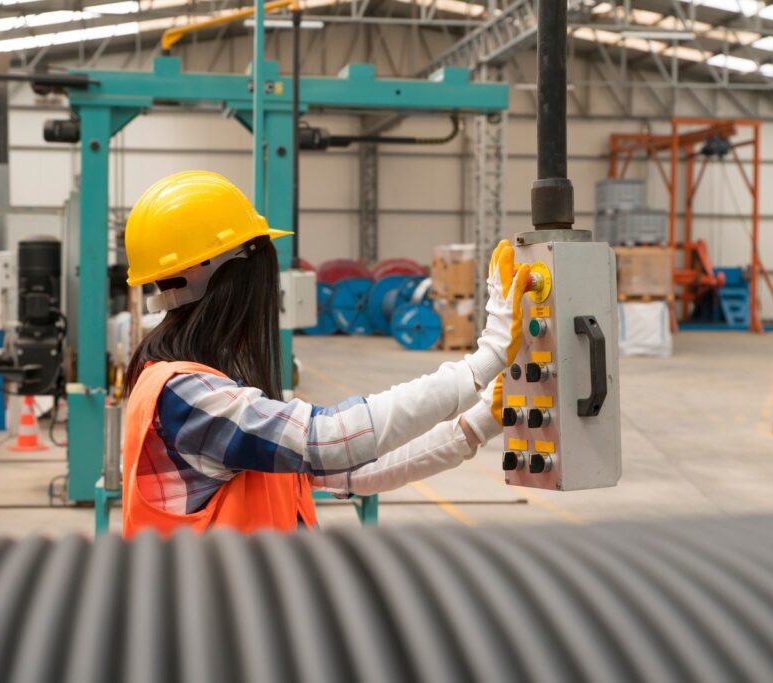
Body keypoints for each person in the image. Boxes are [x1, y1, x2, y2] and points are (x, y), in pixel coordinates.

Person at [121, 170, 530, 537]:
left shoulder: (209, 387)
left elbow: (356, 471)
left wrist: (479, 422)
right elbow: (327, 440)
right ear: (215, 274)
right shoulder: (185, 396)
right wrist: (486, 359)